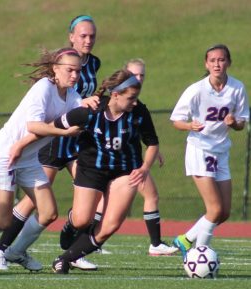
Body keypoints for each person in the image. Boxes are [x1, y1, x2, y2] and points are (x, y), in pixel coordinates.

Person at [0, 47, 98, 275]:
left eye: (78, 71)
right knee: (2, 220)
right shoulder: (43, 88)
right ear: (55, 69)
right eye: (70, 70)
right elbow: (34, 126)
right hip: (5, 154)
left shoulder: (71, 95)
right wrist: (63, 132)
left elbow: (77, 114)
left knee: (48, 212)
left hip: (28, 159)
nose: (75, 76)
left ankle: (15, 252)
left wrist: (90, 105)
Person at [0, 15, 100, 271]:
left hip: (72, 140)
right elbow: (50, 114)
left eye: (92, 36)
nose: (88, 40)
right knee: (33, 200)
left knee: (91, 191)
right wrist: (23, 143)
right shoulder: (61, 68)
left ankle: (73, 250)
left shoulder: (93, 63)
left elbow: (78, 103)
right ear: (71, 36)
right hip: (51, 139)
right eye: (82, 35)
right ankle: (2, 247)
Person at [51, 68, 160, 274]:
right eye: (131, 98)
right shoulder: (89, 111)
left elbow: (152, 143)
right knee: (83, 220)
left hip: (125, 171)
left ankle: (65, 259)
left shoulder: (138, 112)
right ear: (116, 95)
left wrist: (145, 167)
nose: (135, 102)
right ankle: (72, 221)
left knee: (109, 225)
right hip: (91, 169)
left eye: (137, 97)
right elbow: (55, 124)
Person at [170, 44, 249, 258]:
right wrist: (189, 126)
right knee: (213, 210)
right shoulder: (196, 89)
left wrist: (234, 123)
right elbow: (176, 120)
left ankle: (185, 240)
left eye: (221, 59)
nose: (217, 63)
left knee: (223, 212)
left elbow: (242, 122)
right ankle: (198, 254)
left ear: (228, 63)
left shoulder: (237, 88)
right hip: (200, 149)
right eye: (212, 60)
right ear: (206, 64)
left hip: (221, 151)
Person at [92, 58, 177, 255]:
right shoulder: (107, 104)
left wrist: (152, 153)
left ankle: (94, 240)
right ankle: (92, 240)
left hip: (129, 161)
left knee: (142, 196)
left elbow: (144, 136)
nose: (139, 78)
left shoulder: (136, 107)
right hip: (113, 162)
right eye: (134, 74)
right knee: (104, 201)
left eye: (142, 75)